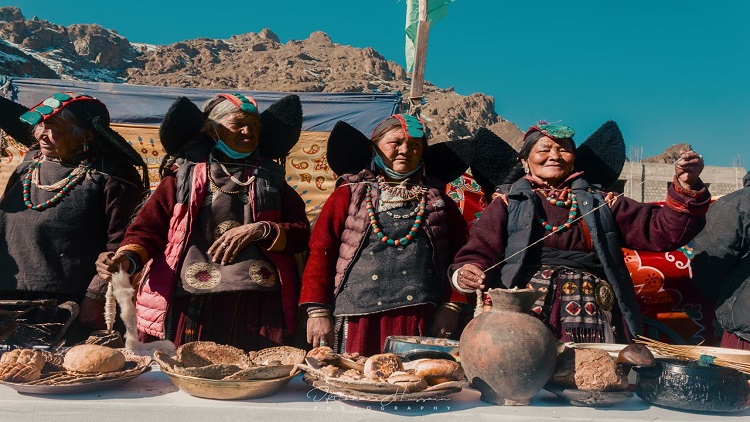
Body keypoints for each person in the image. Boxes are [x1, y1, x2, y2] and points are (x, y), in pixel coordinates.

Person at [451, 122, 710, 343]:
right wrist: (467, 271)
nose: (555, 155)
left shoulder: (603, 201)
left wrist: (685, 187)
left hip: (591, 310)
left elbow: (662, 231)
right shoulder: (507, 202)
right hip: (522, 307)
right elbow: (480, 250)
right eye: (544, 149)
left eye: (563, 149)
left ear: (574, 158)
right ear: (524, 161)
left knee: (591, 379)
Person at [95, 93, 310, 351]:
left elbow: (300, 234)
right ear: (211, 128)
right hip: (190, 300)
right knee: (184, 375)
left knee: (254, 375)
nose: (248, 131)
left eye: (254, 127)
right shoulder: (181, 178)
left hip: (258, 302)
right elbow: (147, 230)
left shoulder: (272, 180)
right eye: (238, 124)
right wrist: (125, 260)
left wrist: (261, 229)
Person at [299, 114, 471, 356]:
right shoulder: (349, 193)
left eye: (414, 145)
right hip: (356, 313)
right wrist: (317, 311)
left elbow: (462, 256)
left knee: (408, 386)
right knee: (353, 381)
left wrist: (452, 306)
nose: (405, 150)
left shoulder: (437, 200)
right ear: (374, 148)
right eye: (395, 143)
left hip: (417, 315)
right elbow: (320, 251)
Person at [0, 92, 149, 342]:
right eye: (40, 126)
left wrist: (96, 297)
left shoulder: (114, 176)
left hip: (71, 305)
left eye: (53, 128)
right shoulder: (27, 166)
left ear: (86, 135)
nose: (41, 134)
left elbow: (122, 244)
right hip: (8, 295)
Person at [691, 183, 750, 349]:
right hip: (745, 326)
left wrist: (728, 303)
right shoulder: (739, 204)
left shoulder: (737, 203)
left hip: (745, 331)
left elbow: (709, 268)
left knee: (737, 375)